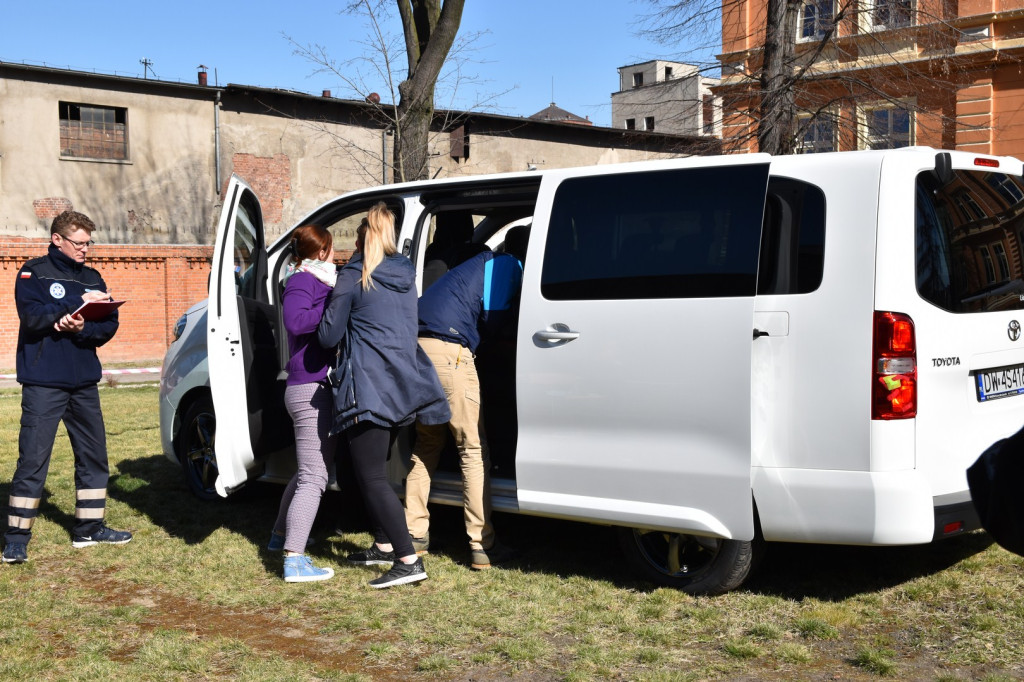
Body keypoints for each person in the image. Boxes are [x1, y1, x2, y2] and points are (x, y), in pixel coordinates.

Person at [318, 202, 450, 589]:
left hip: (369, 388)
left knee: (371, 476)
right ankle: (383, 544)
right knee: (362, 470)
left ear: (360, 241)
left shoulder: (354, 276)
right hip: (401, 385)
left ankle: (408, 560)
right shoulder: (405, 276)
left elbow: (328, 335)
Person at [2, 210, 131, 564]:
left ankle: (89, 529)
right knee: (33, 460)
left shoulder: (93, 276)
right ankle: (16, 537)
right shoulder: (33, 272)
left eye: (89, 243)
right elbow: (33, 315)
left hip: (84, 383)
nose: (86, 249)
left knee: (94, 457)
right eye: (79, 242)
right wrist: (71, 310)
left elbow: (108, 324)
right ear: (57, 239)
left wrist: (83, 328)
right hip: (44, 382)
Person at [404, 225, 529, 570]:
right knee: (472, 448)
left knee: (427, 444)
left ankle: (414, 533)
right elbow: (494, 319)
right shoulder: (509, 265)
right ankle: (481, 544)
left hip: (418, 349)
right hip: (450, 352)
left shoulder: (474, 264)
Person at [267, 225, 339, 583]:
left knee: (307, 471)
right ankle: (294, 560)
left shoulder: (317, 280)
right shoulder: (302, 281)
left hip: (309, 386)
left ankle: (280, 537)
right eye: (331, 247)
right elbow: (295, 321)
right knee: (314, 476)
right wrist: (334, 310)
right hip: (308, 388)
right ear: (322, 250)